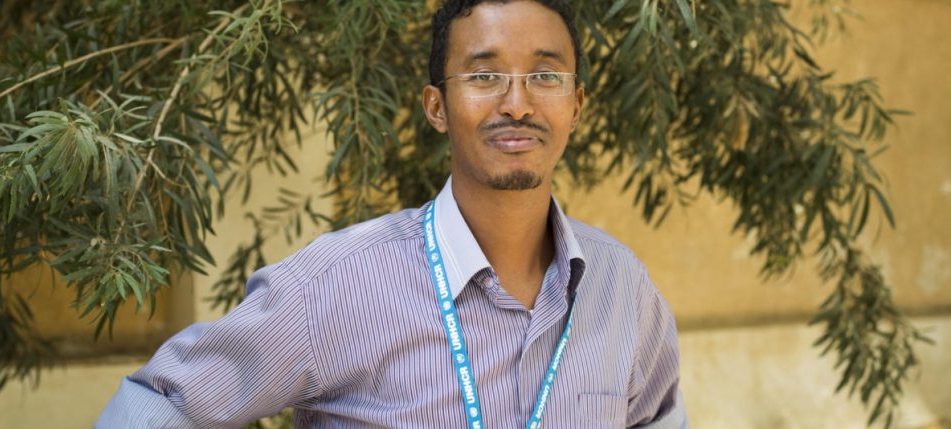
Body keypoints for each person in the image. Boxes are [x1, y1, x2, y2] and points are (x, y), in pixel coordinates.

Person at [97, 0, 687, 427]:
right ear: (437, 106)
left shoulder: (622, 288)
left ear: (576, 104)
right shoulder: (336, 283)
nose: (517, 103)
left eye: (545, 76)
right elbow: (160, 406)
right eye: (484, 75)